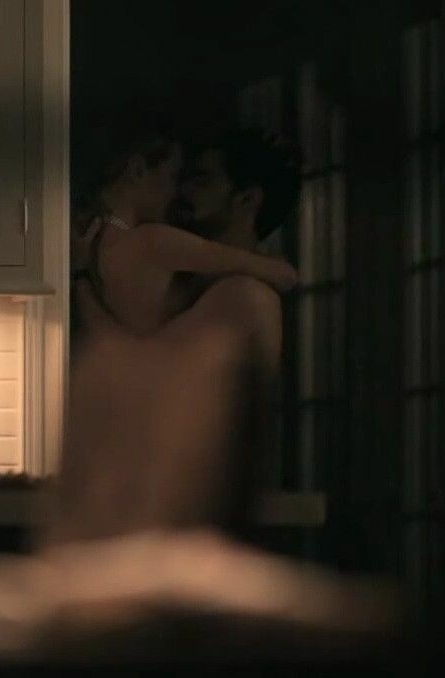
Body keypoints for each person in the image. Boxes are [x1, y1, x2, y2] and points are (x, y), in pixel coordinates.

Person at [51, 119, 304, 543]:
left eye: (201, 180)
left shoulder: (244, 297)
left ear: (246, 199)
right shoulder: (180, 276)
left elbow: (149, 383)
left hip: (190, 521)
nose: (182, 191)